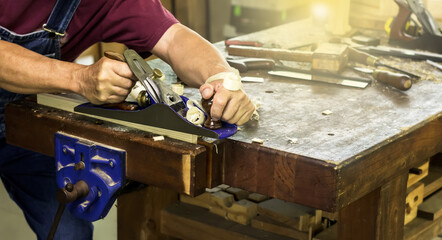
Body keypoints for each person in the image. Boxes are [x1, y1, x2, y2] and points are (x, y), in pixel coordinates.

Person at [0, 0, 255, 239]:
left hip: (27, 117)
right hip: (30, 106)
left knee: (69, 231)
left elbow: (174, 38)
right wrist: (79, 79)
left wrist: (220, 78)